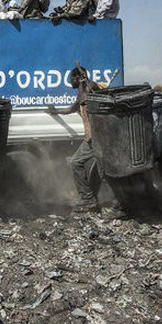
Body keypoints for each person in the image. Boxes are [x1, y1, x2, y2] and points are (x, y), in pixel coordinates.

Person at [46, 63, 124, 217]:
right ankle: (90, 199)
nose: (70, 82)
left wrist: (83, 81)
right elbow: (72, 108)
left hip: (100, 138)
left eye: (71, 79)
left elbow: (85, 98)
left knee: (102, 172)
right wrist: (55, 110)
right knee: (83, 165)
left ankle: (116, 204)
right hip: (91, 139)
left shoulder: (91, 86)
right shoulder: (82, 91)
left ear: (77, 77)